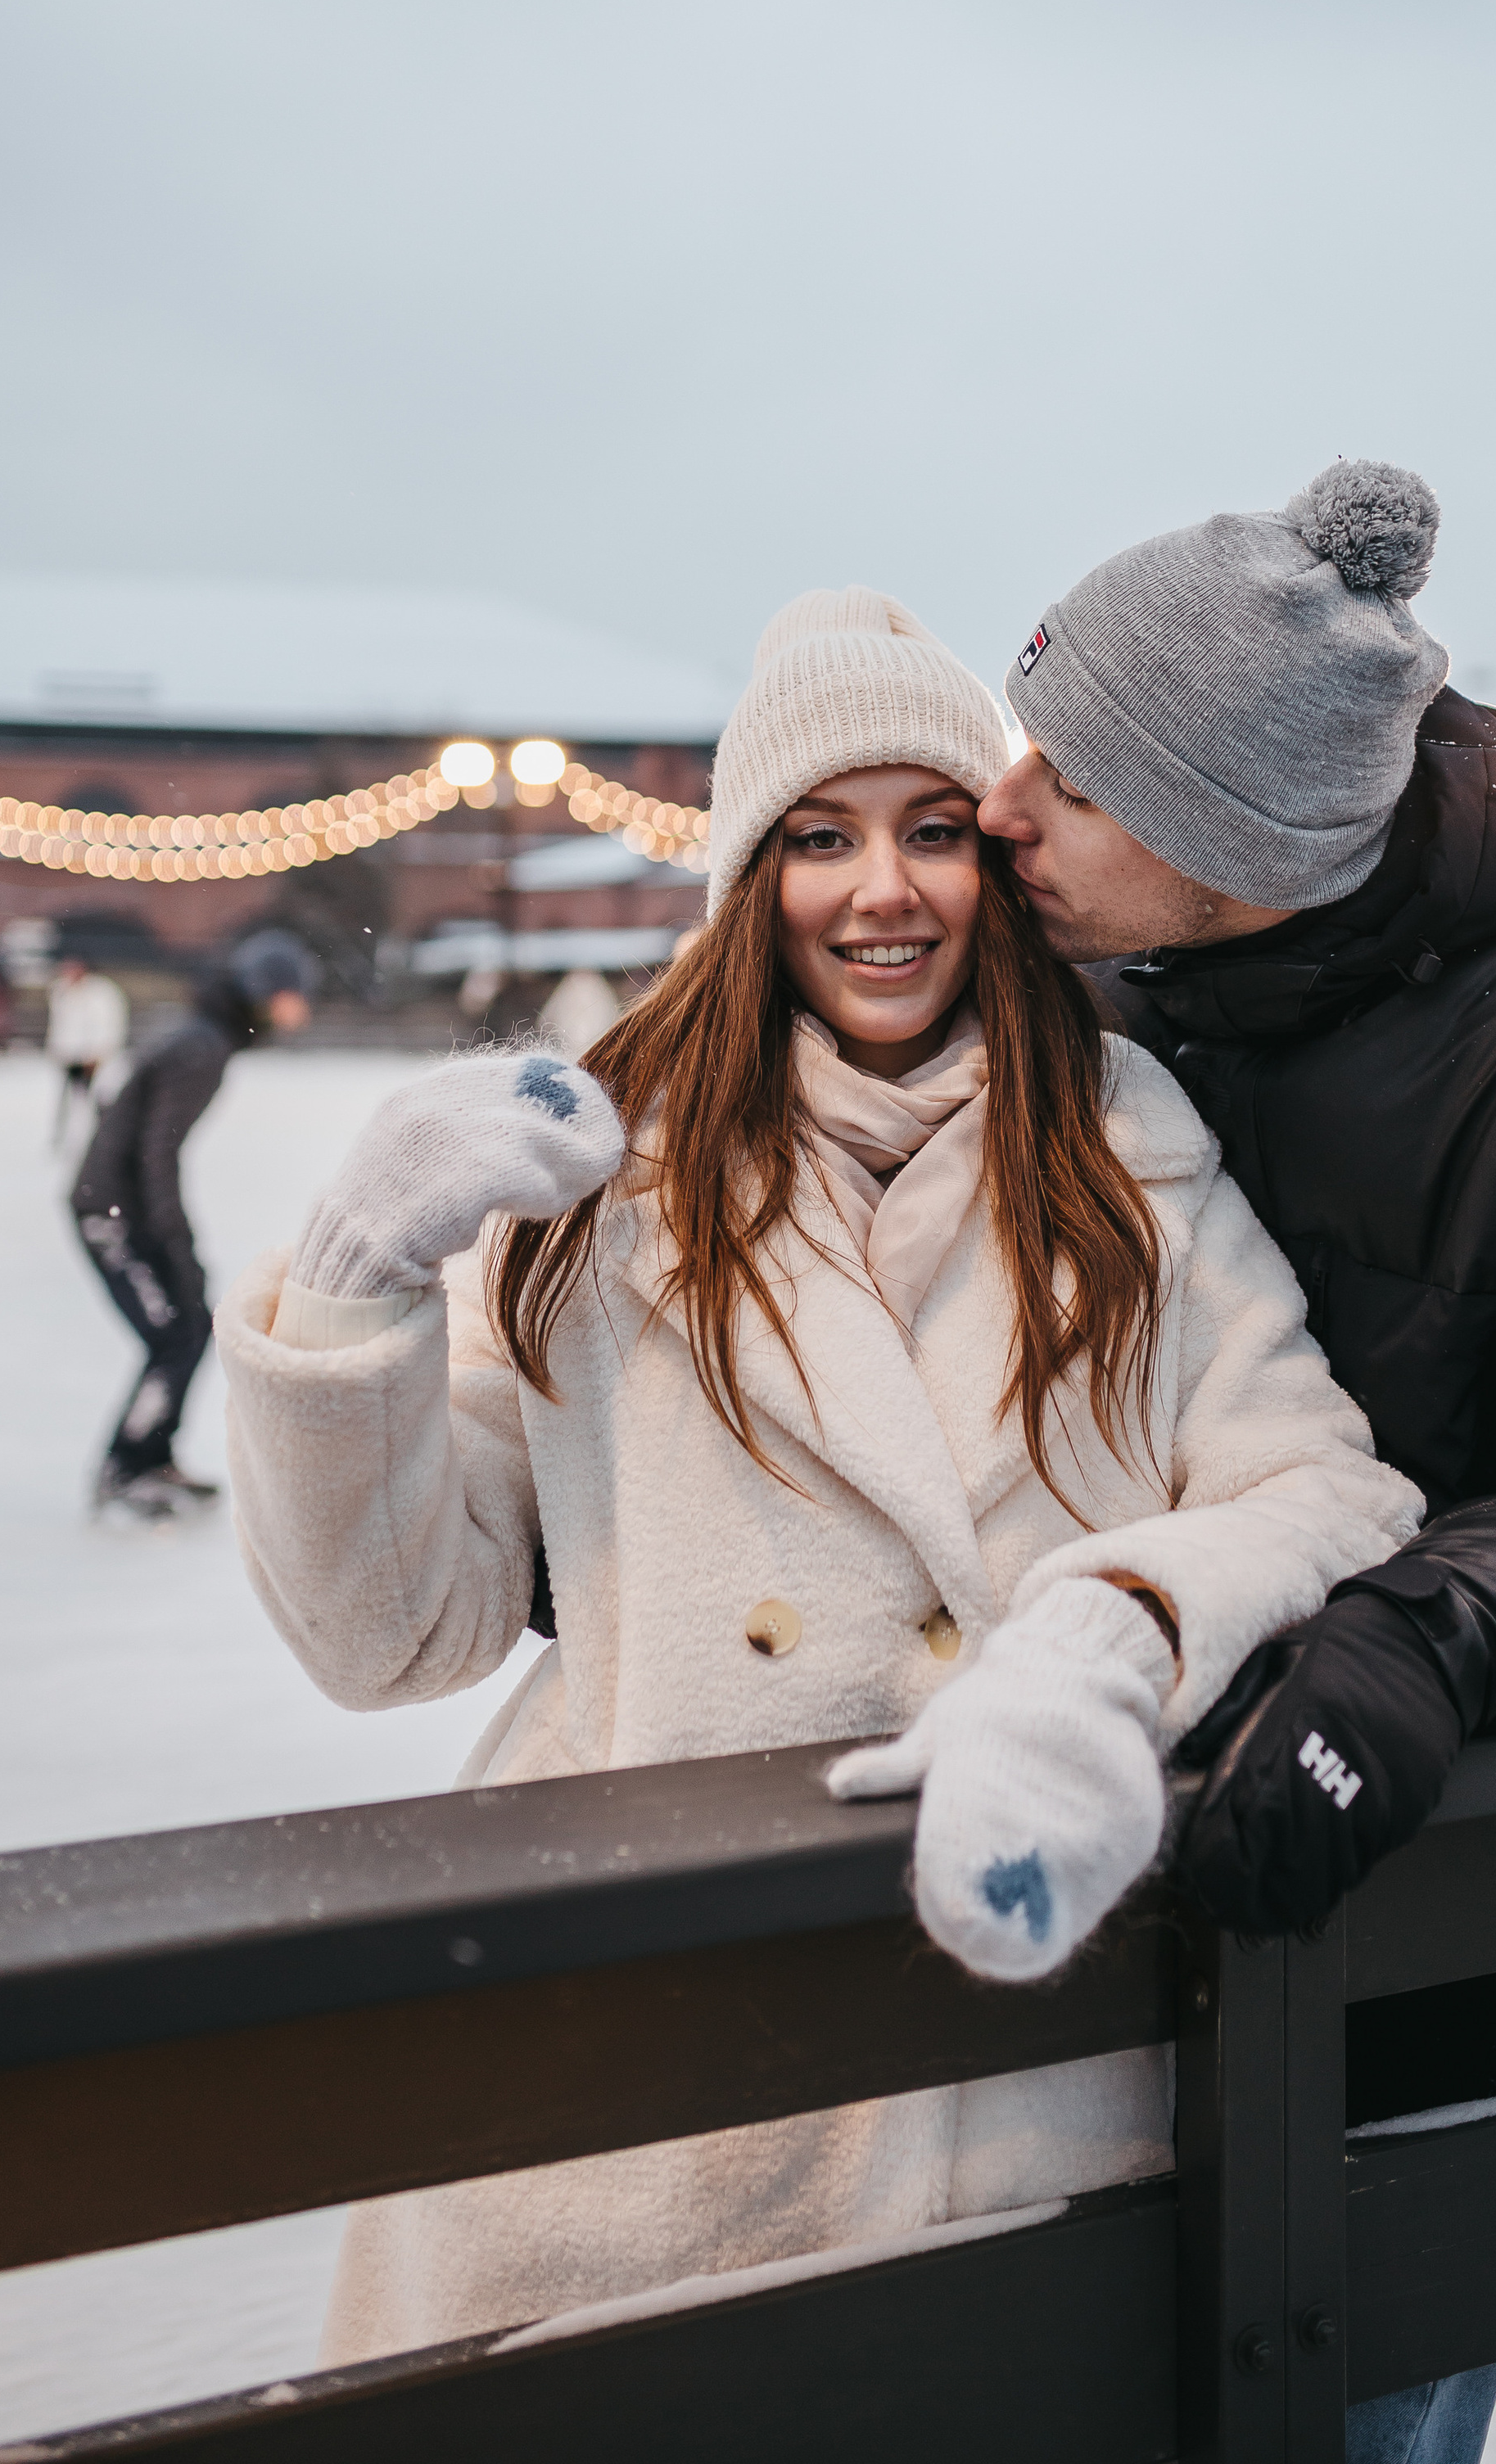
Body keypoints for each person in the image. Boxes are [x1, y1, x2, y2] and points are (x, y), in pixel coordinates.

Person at [217, 588, 1421, 2362]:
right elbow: (393, 1637)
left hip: (1010, 2067)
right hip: (648, 2069)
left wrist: (1101, 1648)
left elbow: (1323, 1491)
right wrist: (351, 1281)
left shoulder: (1126, 1155)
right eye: (819, 839)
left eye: (934, 832)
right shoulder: (597, 1186)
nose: (883, 892)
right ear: (744, 878)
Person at [981, 459, 1496, 2464]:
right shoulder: (1084, 1011)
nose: (998, 808)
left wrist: (1417, 1635)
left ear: (1233, 835)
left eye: (1073, 783)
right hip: (1075, 1986)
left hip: (1436, 1977)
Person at [75, 929, 316, 1519]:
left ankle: (152, 1457)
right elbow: (157, 1153)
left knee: (185, 1331)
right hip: (111, 1211)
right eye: (293, 995)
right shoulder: (201, 1048)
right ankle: (126, 1467)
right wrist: (174, 1244)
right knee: (175, 1335)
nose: (301, 1009)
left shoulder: (205, 1039)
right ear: (264, 992)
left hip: (118, 1202)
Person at [46, 954, 129, 1143]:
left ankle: (97, 1139)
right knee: (70, 1103)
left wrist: (99, 1053)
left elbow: (110, 1024)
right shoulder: (61, 991)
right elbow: (60, 1025)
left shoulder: (101, 993)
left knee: (96, 1102)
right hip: (69, 1057)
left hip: (95, 1059)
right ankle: (67, 1140)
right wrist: (58, 1050)